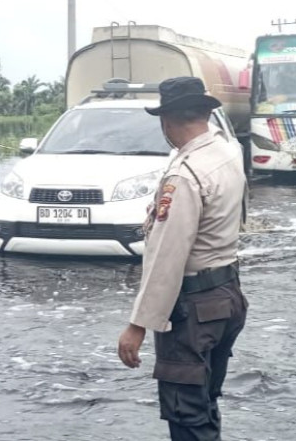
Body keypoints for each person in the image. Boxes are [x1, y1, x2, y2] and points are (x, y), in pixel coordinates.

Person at [117, 76, 248, 441]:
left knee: (187, 415)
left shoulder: (185, 173)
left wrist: (138, 324)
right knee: (204, 403)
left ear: (167, 120)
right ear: (204, 114)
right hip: (227, 295)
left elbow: (167, 256)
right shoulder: (227, 152)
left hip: (193, 310)